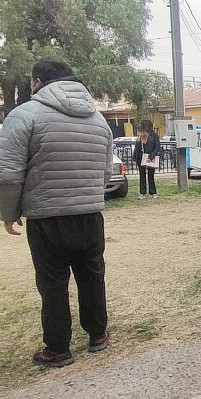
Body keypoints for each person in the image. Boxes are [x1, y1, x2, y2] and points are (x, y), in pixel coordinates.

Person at [0, 56, 112, 367]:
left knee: (52, 281)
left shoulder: (24, 115)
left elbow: (8, 173)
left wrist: (8, 213)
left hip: (46, 215)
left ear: (37, 82)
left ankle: (58, 347)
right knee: (92, 275)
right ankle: (98, 333)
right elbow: (105, 172)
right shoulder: (99, 120)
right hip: (90, 214)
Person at [133, 120, 161, 199]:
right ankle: (142, 192)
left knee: (151, 175)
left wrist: (152, 155)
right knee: (142, 176)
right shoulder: (140, 136)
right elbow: (137, 148)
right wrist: (136, 157)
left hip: (150, 158)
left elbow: (157, 146)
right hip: (141, 158)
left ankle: (152, 192)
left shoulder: (154, 135)